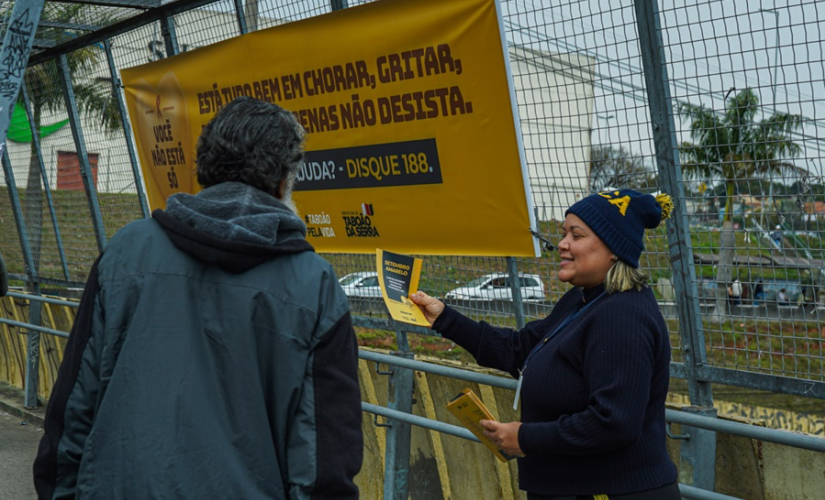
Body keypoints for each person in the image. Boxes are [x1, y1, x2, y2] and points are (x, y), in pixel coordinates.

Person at [33, 97, 363, 499]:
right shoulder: (315, 286)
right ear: (284, 180)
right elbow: (322, 460)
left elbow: (73, 407)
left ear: (204, 168)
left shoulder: (127, 253)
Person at [412, 189, 679, 499]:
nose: (562, 244)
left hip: (610, 491)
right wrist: (444, 318)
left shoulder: (622, 315)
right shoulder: (582, 301)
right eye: (564, 233)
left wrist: (526, 438)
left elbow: (614, 423)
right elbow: (519, 350)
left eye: (576, 236)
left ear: (614, 249)